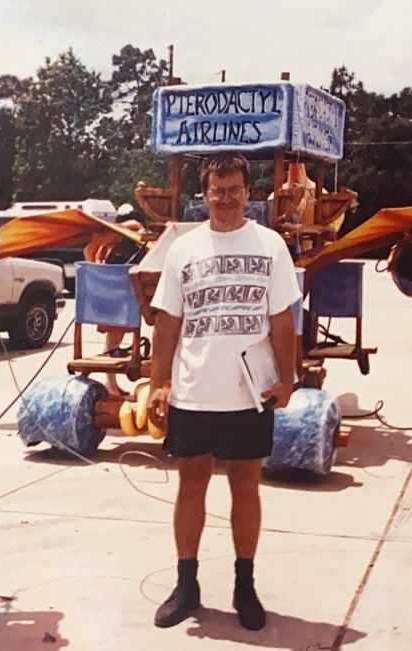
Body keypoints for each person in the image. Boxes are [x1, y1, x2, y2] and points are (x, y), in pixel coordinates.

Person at [145, 152, 301, 630]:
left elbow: (282, 320)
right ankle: (186, 584)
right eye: (218, 190)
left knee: (245, 484)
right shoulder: (182, 250)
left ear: (248, 194)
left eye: (235, 190)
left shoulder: (271, 245)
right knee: (191, 482)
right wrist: (158, 384)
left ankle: (244, 585)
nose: (227, 199)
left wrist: (288, 378)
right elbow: (168, 323)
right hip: (193, 391)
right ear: (205, 194)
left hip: (249, 395)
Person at [83, 211, 146, 397]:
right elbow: (89, 251)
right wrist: (98, 275)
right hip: (112, 295)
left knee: (116, 338)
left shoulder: (120, 243)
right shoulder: (113, 239)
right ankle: (110, 383)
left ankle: (112, 383)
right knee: (112, 339)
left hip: (121, 294)